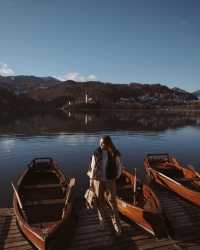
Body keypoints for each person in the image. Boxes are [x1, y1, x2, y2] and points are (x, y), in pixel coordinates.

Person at [87, 135, 123, 236]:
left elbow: (119, 167)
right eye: (100, 143)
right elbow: (93, 168)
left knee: (112, 202)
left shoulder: (115, 154)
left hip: (110, 181)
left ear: (108, 144)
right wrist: (91, 182)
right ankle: (102, 221)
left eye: (102, 143)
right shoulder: (96, 153)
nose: (100, 145)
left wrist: (116, 177)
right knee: (99, 202)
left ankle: (116, 224)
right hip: (97, 181)